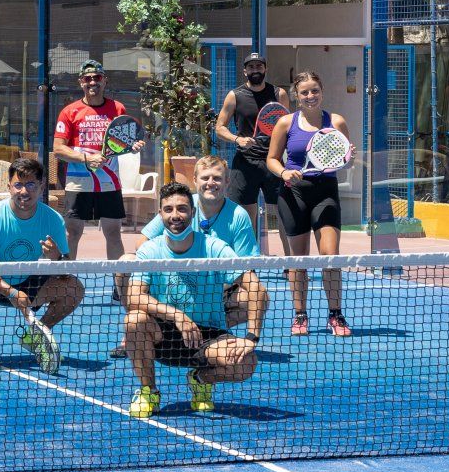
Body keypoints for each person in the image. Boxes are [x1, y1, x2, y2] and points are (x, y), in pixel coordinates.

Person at [125, 182, 259, 417]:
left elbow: (256, 288)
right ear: (160, 214)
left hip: (209, 335)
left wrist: (251, 337)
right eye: (168, 209)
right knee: (134, 320)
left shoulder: (214, 247)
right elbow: (134, 296)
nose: (175, 215)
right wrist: (177, 316)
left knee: (245, 364)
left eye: (182, 209)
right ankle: (149, 392)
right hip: (164, 335)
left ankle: (200, 379)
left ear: (193, 212)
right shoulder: (150, 250)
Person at [0, 155, 84, 370]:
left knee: (73, 289)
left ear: (41, 187)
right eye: (18, 185)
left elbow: (66, 271)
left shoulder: (53, 219)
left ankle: (34, 336)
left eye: (31, 185)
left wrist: (56, 258)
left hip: (28, 279)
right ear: (9, 186)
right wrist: (11, 293)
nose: (24, 191)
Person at [140, 154, 268, 341]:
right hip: (174, 283)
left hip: (219, 288)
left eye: (217, 178)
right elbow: (142, 243)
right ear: (194, 180)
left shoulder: (239, 215)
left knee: (255, 297)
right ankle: (138, 333)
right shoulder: (180, 205)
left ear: (227, 181)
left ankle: (208, 330)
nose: (211, 183)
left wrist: (211, 286)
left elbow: (245, 266)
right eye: (205, 177)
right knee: (126, 263)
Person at [265, 71, 352, 336]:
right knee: (298, 259)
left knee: (330, 256)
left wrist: (349, 157)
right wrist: (284, 173)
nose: (310, 96)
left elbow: (345, 159)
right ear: (296, 96)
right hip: (293, 194)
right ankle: (300, 315)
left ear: (322, 91)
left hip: (325, 193)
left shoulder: (336, 121)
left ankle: (336, 315)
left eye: (315, 90)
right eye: (304, 92)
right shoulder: (285, 123)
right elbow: (272, 159)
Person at [53, 60, 143, 298]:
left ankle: (120, 287)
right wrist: (86, 158)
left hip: (109, 181)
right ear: (81, 82)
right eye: (88, 78)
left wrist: (133, 146)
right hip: (78, 181)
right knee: (72, 232)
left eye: (97, 78)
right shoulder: (69, 111)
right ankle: (65, 285)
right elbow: (58, 149)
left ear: (105, 81)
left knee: (113, 232)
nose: (92, 82)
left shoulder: (118, 108)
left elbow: (125, 140)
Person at [212, 52, 284, 252]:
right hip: (245, 163)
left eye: (259, 66)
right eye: (251, 67)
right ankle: (248, 262)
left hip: (274, 161)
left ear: (265, 69)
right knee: (245, 217)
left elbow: (286, 125)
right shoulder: (234, 95)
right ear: (245, 71)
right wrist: (238, 139)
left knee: (283, 215)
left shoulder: (279, 94)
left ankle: (292, 264)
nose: (255, 70)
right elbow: (219, 128)